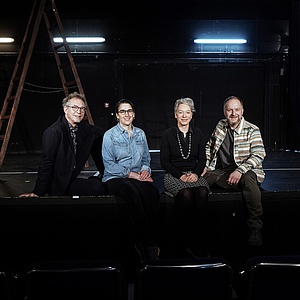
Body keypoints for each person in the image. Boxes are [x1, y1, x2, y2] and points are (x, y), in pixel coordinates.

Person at [202, 95, 266, 246]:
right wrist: (206, 166)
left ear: (242, 110)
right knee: (199, 180)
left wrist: (240, 170)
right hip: (224, 173)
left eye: (237, 109)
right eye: (229, 110)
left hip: (246, 172)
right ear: (224, 111)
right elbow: (209, 148)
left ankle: (255, 228)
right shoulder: (220, 126)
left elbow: (259, 154)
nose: (233, 113)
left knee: (249, 180)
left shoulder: (252, 129)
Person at [102, 98, 160, 262]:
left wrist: (144, 171)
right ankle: (150, 244)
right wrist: (133, 175)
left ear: (133, 114)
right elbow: (109, 165)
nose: (126, 114)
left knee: (153, 194)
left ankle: (140, 241)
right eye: (122, 111)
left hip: (137, 175)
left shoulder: (140, 134)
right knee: (133, 194)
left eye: (129, 111)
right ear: (117, 116)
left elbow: (146, 159)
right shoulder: (110, 135)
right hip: (115, 177)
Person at [19, 92, 106, 197]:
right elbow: (46, 163)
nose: (79, 112)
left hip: (71, 177)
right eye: (74, 107)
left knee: (94, 136)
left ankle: (105, 175)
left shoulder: (82, 126)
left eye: (82, 108)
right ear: (65, 109)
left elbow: (99, 131)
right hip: (58, 183)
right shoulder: (53, 132)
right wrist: (37, 192)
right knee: (98, 188)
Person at [160, 97, 211, 258]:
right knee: (186, 195)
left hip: (193, 173)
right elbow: (164, 162)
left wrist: (195, 173)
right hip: (174, 175)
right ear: (175, 114)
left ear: (192, 114)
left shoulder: (198, 133)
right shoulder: (168, 134)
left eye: (187, 112)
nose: (184, 116)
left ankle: (198, 241)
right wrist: (180, 176)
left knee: (202, 192)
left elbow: (202, 159)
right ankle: (183, 242)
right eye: (180, 112)